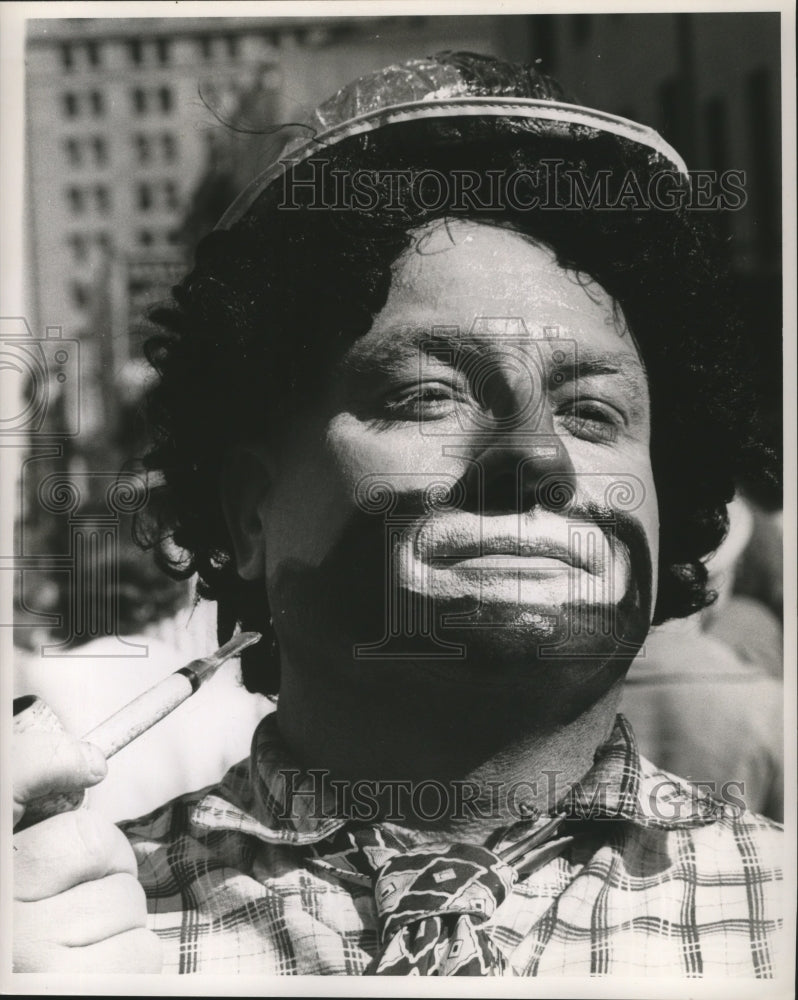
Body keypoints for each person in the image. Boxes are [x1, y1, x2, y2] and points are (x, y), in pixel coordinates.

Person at [13, 52, 784, 977]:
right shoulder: (70, 922)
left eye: (592, 413)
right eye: (428, 396)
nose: (537, 459)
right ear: (247, 509)